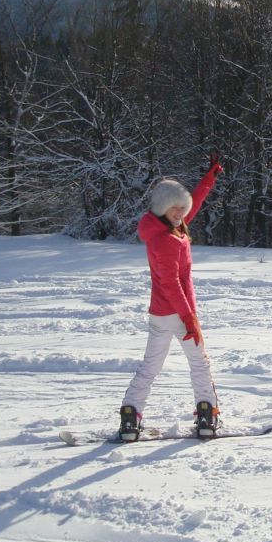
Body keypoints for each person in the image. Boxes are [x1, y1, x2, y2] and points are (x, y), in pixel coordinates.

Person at [118, 154, 224, 440]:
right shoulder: (166, 240)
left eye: (182, 207)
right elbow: (170, 283)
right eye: (175, 208)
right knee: (199, 364)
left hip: (159, 314)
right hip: (178, 312)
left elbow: (193, 207)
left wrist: (209, 180)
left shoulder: (165, 228)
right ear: (163, 207)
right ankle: (207, 416)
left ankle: (130, 417)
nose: (180, 213)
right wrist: (189, 319)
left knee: (150, 366)